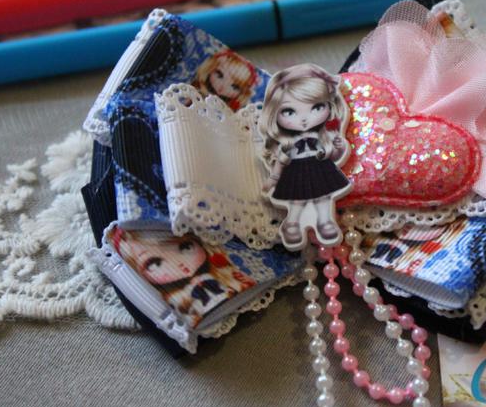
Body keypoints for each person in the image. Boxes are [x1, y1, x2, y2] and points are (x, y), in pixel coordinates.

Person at [259, 64, 351, 249]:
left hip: (320, 168)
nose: (303, 119)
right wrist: (272, 180)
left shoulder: (326, 135)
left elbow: (335, 157)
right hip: (295, 172)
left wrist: (339, 148)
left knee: (324, 198)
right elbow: (280, 162)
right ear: (274, 113)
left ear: (330, 105)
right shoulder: (286, 142)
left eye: (316, 107)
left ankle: (325, 221)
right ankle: (292, 223)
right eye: (289, 112)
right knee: (296, 200)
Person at [108, 227, 256, 327]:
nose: (180, 264)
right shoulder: (172, 299)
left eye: (186, 247)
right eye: (154, 264)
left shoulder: (224, 268)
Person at [194, 48, 259, 111]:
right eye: (219, 75)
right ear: (211, 67)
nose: (223, 87)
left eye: (235, 87)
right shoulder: (197, 88)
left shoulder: (230, 107)